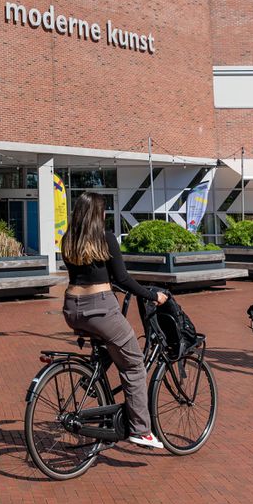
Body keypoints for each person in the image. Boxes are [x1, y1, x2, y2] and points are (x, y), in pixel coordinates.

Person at [60, 193, 169, 450]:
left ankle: (95, 381)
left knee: (110, 347)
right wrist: (153, 295)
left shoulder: (68, 240)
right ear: (98, 214)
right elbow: (122, 278)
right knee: (133, 365)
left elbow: (86, 273)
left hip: (71, 309)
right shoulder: (106, 238)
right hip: (100, 309)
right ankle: (141, 430)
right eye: (104, 211)